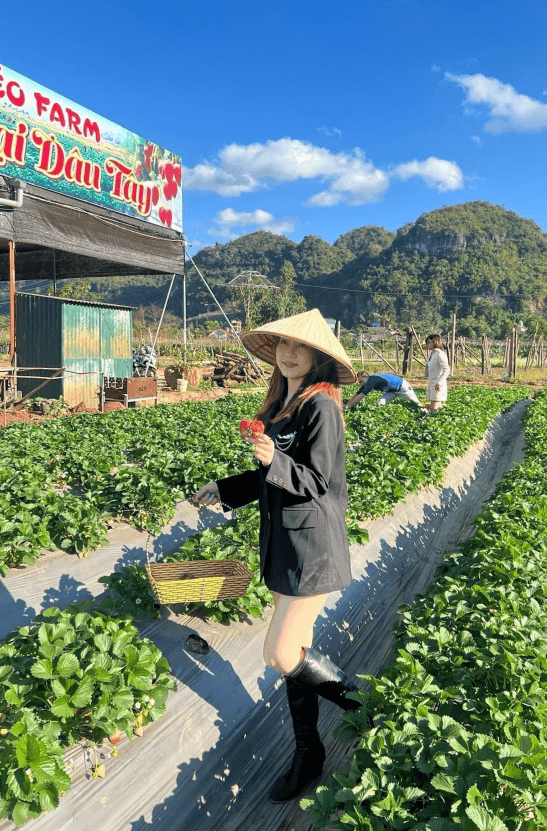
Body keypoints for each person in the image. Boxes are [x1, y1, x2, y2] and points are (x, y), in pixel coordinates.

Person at [193, 309, 364, 804]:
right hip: (283, 544)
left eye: (299, 347)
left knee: (280, 654)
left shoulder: (322, 408)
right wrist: (223, 488)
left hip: (312, 548)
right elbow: (271, 477)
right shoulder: (281, 404)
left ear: (317, 356)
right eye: (282, 346)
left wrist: (275, 459)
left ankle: (367, 706)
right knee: (298, 655)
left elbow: (316, 482)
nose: (289, 354)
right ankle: (308, 753)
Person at [343, 370, 426, 411]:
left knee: (415, 403)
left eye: (361, 381)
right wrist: (347, 404)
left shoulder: (371, 380)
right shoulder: (367, 382)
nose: (360, 384)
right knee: (380, 404)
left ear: (366, 377)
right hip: (391, 390)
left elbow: (361, 396)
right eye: (359, 382)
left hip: (402, 386)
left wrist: (350, 406)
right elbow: (357, 393)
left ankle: (426, 413)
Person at [425, 333, 451, 412]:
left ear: (436, 342)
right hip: (432, 381)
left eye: (430, 342)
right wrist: (426, 375)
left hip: (437, 383)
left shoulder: (440, 354)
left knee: (435, 406)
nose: (427, 344)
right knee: (433, 403)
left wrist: (439, 382)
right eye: (427, 342)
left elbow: (446, 369)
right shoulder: (432, 354)